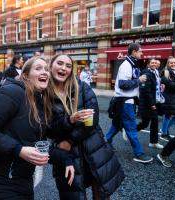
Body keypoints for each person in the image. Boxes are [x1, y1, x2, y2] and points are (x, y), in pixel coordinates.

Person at [0, 56, 74, 199]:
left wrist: (65, 159)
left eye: (46, 69)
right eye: (38, 68)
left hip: (21, 179)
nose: (45, 72)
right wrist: (18, 150)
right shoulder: (13, 91)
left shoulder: (39, 101)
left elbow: (34, 143)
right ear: (25, 75)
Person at [47, 54, 125, 200]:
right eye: (60, 63)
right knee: (74, 194)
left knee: (100, 192)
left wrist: (69, 140)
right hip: (67, 155)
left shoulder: (82, 87)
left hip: (93, 148)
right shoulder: (45, 94)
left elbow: (93, 120)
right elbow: (49, 129)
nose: (63, 68)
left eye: (68, 66)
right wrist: (69, 120)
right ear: (51, 66)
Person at [105, 43, 153, 163]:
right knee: (131, 128)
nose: (142, 53)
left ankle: (105, 143)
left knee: (116, 125)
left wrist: (139, 82)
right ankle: (139, 153)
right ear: (134, 52)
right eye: (140, 51)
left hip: (126, 101)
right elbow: (123, 84)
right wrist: (139, 80)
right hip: (125, 102)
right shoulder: (126, 65)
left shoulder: (132, 64)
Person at [137, 59, 164, 149]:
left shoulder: (156, 73)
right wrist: (152, 103)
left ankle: (153, 142)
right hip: (148, 103)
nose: (154, 64)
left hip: (155, 101)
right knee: (146, 123)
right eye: (152, 62)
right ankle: (130, 130)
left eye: (155, 63)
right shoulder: (146, 73)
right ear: (148, 64)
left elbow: (155, 87)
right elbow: (146, 90)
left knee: (153, 122)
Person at [159, 56, 175, 141]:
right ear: (168, 64)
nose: (173, 64)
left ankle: (164, 129)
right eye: (171, 63)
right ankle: (164, 133)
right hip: (169, 98)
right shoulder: (165, 73)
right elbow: (174, 86)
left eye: (174, 62)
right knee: (168, 116)